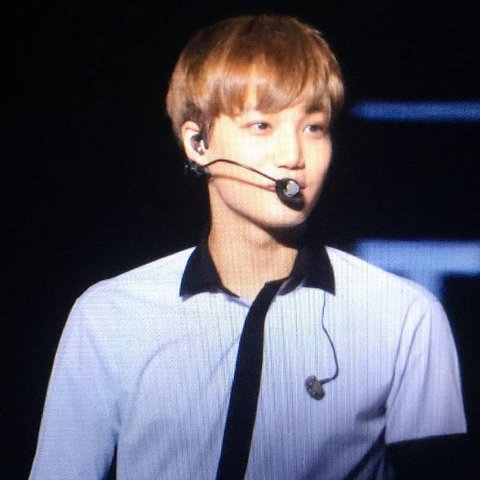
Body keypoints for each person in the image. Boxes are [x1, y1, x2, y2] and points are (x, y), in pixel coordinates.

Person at [29, 14, 466, 479]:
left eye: (314, 127)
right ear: (198, 143)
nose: (293, 157)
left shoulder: (405, 317)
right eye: (261, 125)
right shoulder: (110, 315)